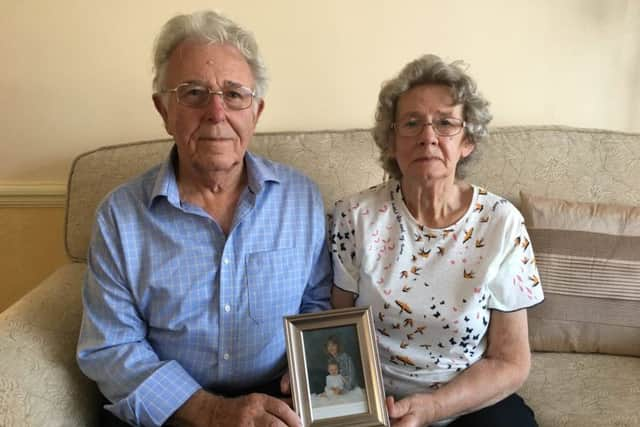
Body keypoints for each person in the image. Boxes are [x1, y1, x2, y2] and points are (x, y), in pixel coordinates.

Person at [76, 10, 332, 427]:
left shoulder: (301, 199)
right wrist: (210, 411)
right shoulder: (120, 217)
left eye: (234, 95)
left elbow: (318, 305)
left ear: (256, 111)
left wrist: (307, 372)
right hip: (169, 409)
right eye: (193, 93)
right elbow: (111, 346)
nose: (216, 112)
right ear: (163, 110)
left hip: (277, 401)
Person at [330, 54, 544, 427]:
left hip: (469, 400)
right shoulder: (355, 217)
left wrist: (434, 407)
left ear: (467, 141)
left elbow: (511, 361)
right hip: (379, 401)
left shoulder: (501, 223)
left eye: (445, 123)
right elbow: (338, 330)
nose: (428, 136)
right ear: (392, 141)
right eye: (412, 123)